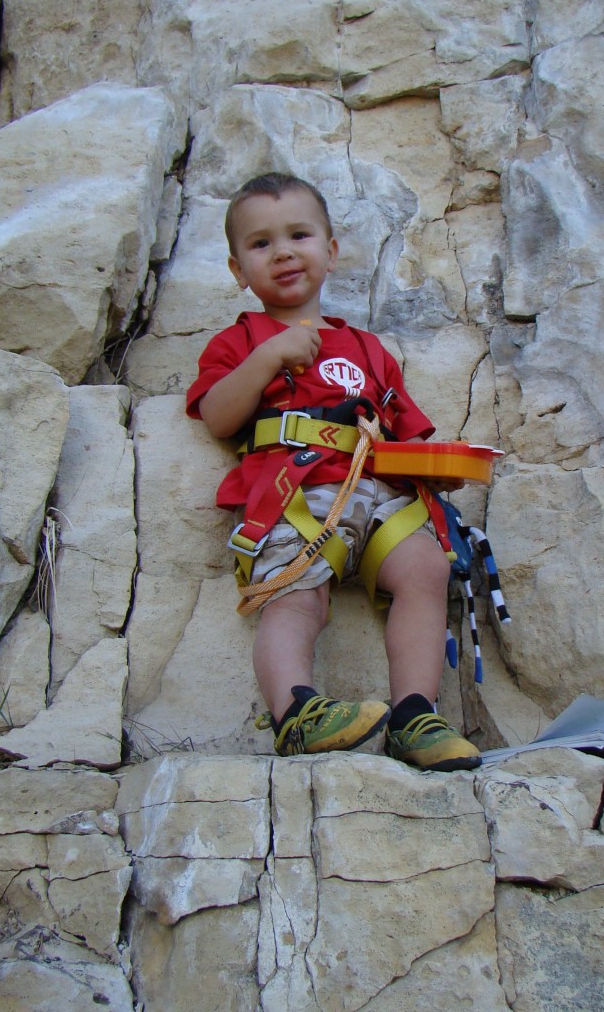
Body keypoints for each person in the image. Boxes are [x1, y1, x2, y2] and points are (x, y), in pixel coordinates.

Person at [186, 172, 482, 772]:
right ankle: (295, 714)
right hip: (296, 492)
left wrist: (440, 470)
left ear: (330, 250)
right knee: (298, 597)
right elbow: (218, 416)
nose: (284, 252)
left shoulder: (370, 349)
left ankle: (415, 715)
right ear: (238, 270)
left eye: (299, 234)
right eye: (261, 244)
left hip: (378, 495)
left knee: (426, 568)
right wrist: (268, 357)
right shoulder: (241, 339)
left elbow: (406, 432)